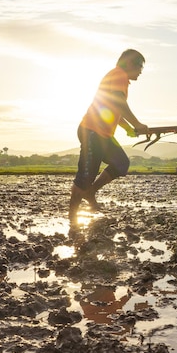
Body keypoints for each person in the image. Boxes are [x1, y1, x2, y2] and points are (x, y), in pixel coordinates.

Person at [69, 49, 149, 223]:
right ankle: (73, 220)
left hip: (102, 135)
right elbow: (119, 103)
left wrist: (128, 128)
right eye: (139, 67)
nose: (140, 72)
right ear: (129, 63)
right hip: (91, 131)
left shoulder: (119, 78)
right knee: (85, 177)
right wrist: (137, 124)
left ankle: (90, 192)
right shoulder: (118, 75)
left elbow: (111, 110)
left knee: (121, 163)